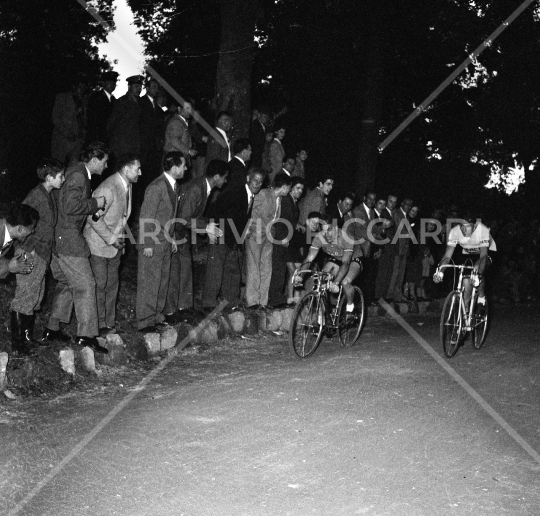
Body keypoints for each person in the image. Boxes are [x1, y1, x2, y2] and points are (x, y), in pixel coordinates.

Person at [43, 142, 109, 354]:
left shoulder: (76, 172)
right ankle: (86, 336)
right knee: (87, 285)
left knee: (67, 282)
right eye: (105, 162)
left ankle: (52, 329)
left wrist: (91, 209)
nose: (106, 166)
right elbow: (70, 207)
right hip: (68, 238)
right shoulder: (79, 175)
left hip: (60, 236)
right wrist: (95, 203)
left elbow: (68, 204)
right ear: (95, 159)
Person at [10, 160, 65, 354]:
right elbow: (21, 220)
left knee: (35, 296)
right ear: (49, 177)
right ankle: (18, 344)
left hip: (42, 252)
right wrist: (27, 248)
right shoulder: (36, 196)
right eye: (60, 176)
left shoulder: (49, 195)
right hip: (30, 252)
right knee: (25, 296)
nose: (63, 179)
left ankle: (27, 337)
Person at [84, 153, 140, 336]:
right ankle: (98, 326)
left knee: (112, 285)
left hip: (114, 247)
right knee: (100, 285)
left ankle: (109, 323)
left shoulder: (127, 185)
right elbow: (92, 219)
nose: (140, 172)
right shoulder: (108, 188)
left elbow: (122, 217)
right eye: (137, 168)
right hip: (98, 245)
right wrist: (110, 238)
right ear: (126, 169)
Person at [165, 159, 227, 322]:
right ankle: (171, 312)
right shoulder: (196, 189)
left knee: (185, 269)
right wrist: (206, 228)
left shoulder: (204, 187)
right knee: (176, 270)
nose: (225, 181)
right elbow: (184, 218)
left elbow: (195, 215)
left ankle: (183, 308)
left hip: (183, 233)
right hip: (175, 232)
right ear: (216, 177)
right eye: (224, 177)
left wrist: (207, 225)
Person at [136, 151, 186, 333]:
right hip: (153, 242)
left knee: (162, 281)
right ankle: (144, 321)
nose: (186, 168)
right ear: (174, 168)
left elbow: (167, 217)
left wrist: (171, 238)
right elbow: (146, 216)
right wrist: (147, 243)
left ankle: (156, 316)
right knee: (150, 282)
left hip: (164, 241)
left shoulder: (173, 186)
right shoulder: (157, 187)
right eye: (183, 165)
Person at [202, 170, 264, 311]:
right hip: (221, 233)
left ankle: (231, 304)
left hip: (234, 238)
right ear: (248, 178)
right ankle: (208, 305)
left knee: (232, 271)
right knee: (215, 271)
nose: (258, 184)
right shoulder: (236, 191)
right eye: (255, 180)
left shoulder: (251, 197)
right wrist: (212, 229)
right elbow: (215, 208)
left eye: (260, 182)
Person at [294, 216, 363, 313]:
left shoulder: (346, 237)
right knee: (321, 280)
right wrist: (300, 275)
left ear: (336, 228)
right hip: (336, 257)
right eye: (323, 231)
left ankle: (350, 306)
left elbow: (345, 263)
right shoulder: (319, 237)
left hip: (352, 258)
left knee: (345, 282)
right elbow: (309, 258)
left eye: (329, 230)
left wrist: (336, 282)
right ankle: (323, 314)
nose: (326, 234)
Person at [245, 172, 292, 309]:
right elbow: (251, 212)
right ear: (283, 186)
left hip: (268, 238)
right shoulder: (264, 194)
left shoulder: (280, 199)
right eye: (289, 187)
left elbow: (274, 219)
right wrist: (250, 229)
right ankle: (252, 302)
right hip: (256, 235)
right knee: (254, 268)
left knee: (266, 268)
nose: (289, 190)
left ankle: (263, 302)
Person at [434, 211, 496, 313]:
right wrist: (440, 271)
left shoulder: (482, 230)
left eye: (468, 227)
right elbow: (447, 256)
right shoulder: (454, 231)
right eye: (462, 226)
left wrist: (478, 275)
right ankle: (466, 311)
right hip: (468, 254)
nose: (464, 230)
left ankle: (481, 297)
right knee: (466, 280)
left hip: (485, 253)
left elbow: (483, 256)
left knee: (477, 269)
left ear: (475, 226)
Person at [1, 204, 39, 355]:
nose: (33, 231)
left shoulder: (8, 235)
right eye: (31, 227)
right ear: (20, 229)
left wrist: (9, 266)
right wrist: (9, 267)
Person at [268, 176, 304, 308]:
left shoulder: (294, 203)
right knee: (278, 267)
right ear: (290, 189)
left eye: (302, 189)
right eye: (297, 188)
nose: (300, 191)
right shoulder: (285, 201)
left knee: (282, 268)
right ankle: (274, 298)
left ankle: (278, 297)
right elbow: (280, 220)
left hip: (286, 239)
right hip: (280, 237)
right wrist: (283, 237)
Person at [107, 75, 143, 165]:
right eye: (136, 86)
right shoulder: (121, 102)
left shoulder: (141, 103)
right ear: (129, 87)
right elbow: (112, 124)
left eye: (140, 87)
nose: (139, 89)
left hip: (135, 145)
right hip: (122, 146)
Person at [51, 80, 86, 165]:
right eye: (79, 87)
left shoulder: (84, 100)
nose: (81, 90)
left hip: (78, 142)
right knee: (56, 167)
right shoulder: (62, 97)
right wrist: (67, 133)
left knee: (73, 169)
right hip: (62, 141)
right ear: (74, 87)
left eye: (83, 88)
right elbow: (55, 118)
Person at [139, 77, 165, 187]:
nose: (156, 90)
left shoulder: (158, 108)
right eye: (153, 87)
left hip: (155, 149)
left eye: (157, 87)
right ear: (147, 88)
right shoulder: (140, 103)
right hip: (144, 148)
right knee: (142, 178)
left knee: (153, 177)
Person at [86, 71, 118, 144]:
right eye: (110, 82)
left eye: (114, 82)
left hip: (110, 138)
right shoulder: (96, 97)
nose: (112, 84)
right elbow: (92, 119)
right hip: (97, 137)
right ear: (104, 83)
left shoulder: (114, 100)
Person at [163, 97, 197, 166]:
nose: (190, 111)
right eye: (187, 108)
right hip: (175, 161)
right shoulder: (176, 122)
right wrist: (189, 151)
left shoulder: (182, 122)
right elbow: (174, 140)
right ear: (179, 109)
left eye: (191, 108)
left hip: (177, 160)